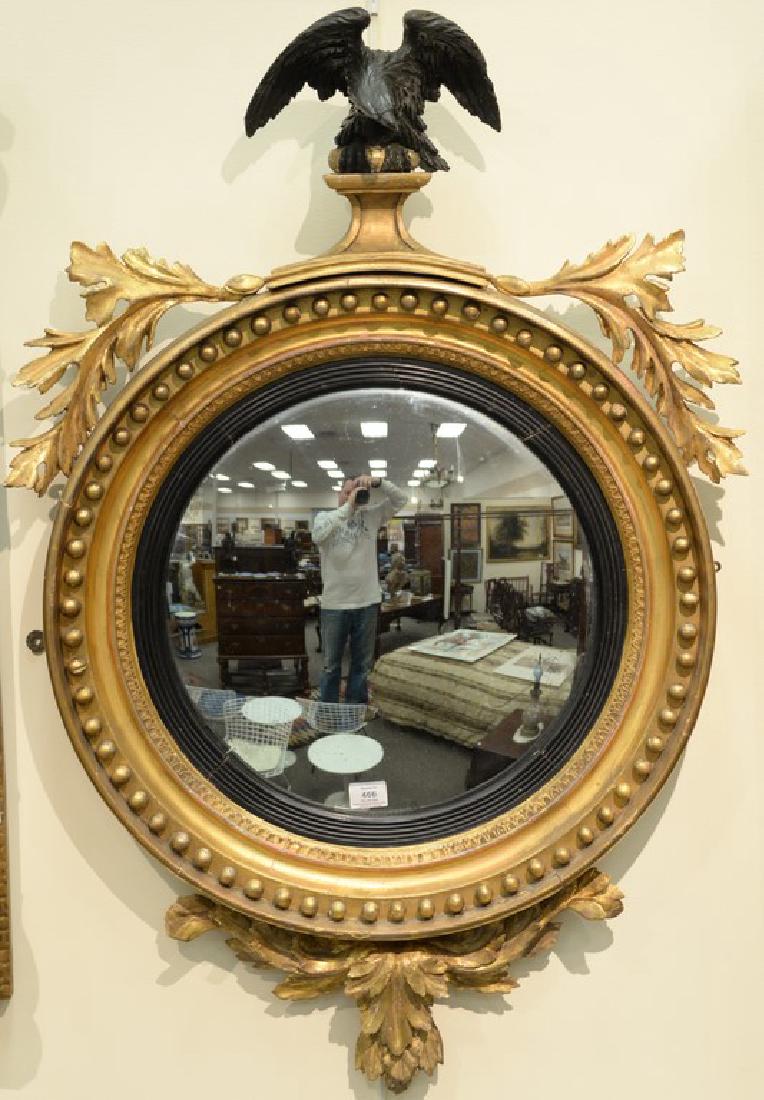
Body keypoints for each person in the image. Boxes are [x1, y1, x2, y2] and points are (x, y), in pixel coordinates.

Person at [313, 475, 408, 703]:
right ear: (339, 494)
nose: (351, 496)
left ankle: (354, 711)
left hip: (367, 602)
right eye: (347, 492)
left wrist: (378, 482)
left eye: (355, 493)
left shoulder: (371, 516)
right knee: (331, 665)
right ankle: (328, 711)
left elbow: (401, 499)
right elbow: (318, 536)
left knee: (362, 665)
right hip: (334, 604)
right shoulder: (325, 518)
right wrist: (349, 506)